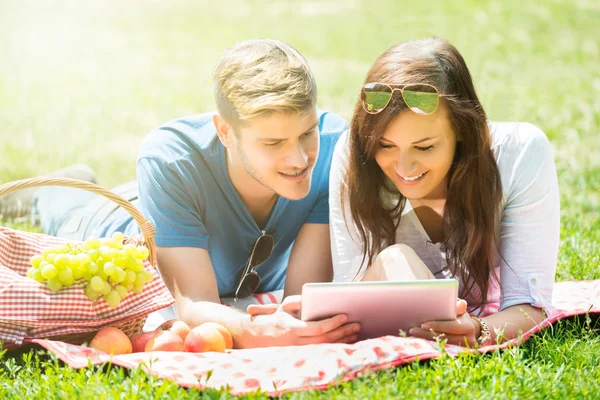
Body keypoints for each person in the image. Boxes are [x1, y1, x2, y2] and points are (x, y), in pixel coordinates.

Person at [14, 39, 360, 348]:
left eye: (307, 132)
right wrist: (254, 329)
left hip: (194, 215)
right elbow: (194, 304)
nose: (300, 159)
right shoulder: (167, 158)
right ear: (225, 131)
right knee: (67, 207)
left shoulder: (332, 145)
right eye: (273, 142)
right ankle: (58, 186)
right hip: (112, 221)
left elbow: (303, 298)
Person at [252, 37, 560, 347]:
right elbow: (353, 285)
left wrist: (478, 331)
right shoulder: (356, 156)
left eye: (424, 147)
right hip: (396, 303)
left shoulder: (520, 155)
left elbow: (530, 305)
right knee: (395, 259)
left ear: (462, 131)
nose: (404, 167)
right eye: (385, 145)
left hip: (445, 320)